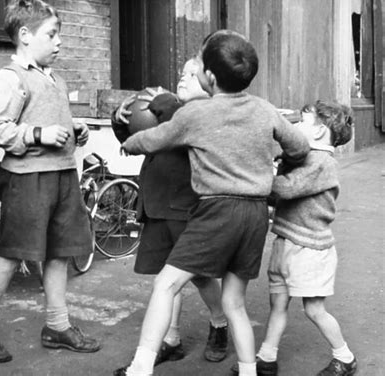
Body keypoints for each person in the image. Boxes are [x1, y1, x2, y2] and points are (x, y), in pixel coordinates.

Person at [114, 30, 310, 376]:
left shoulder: (196, 114)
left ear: (211, 77)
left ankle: (139, 369)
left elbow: (153, 139)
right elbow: (299, 147)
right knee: (234, 302)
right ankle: (249, 371)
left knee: (166, 284)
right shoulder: (264, 110)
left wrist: (129, 143)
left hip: (217, 210)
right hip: (255, 215)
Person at [0, 0, 101, 362]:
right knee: (13, 255)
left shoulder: (55, 77)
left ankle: (57, 326)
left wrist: (75, 128)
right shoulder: (10, 77)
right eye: (52, 34)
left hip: (62, 176)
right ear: (25, 35)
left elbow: (48, 116)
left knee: (59, 253)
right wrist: (36, 135)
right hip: (27, 181)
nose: (59, 42)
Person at [112, 58, 229, 369]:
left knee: (200, 276)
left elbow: (175, 116)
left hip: (186, 206)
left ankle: (219, 322)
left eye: (192, 74)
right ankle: (172, 339)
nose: (183, 78)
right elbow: (133, 139)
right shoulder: (170, 110)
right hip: (157, 203)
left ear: (210, 83)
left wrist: (160, 101)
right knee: (166, 273)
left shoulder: (201, 112)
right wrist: (122, 118)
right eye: (181, 73)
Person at [234, 101, 356, 376]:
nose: (294, 128)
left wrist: (254, 174)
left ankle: (344, 356)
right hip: (285, 241)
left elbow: (287, 189)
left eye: (302, 122)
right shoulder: (304, 156)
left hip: (309, 247)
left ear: (320, 131)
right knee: (277, 304)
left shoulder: (323, 163)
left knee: (314, 309)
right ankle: (267, 356)